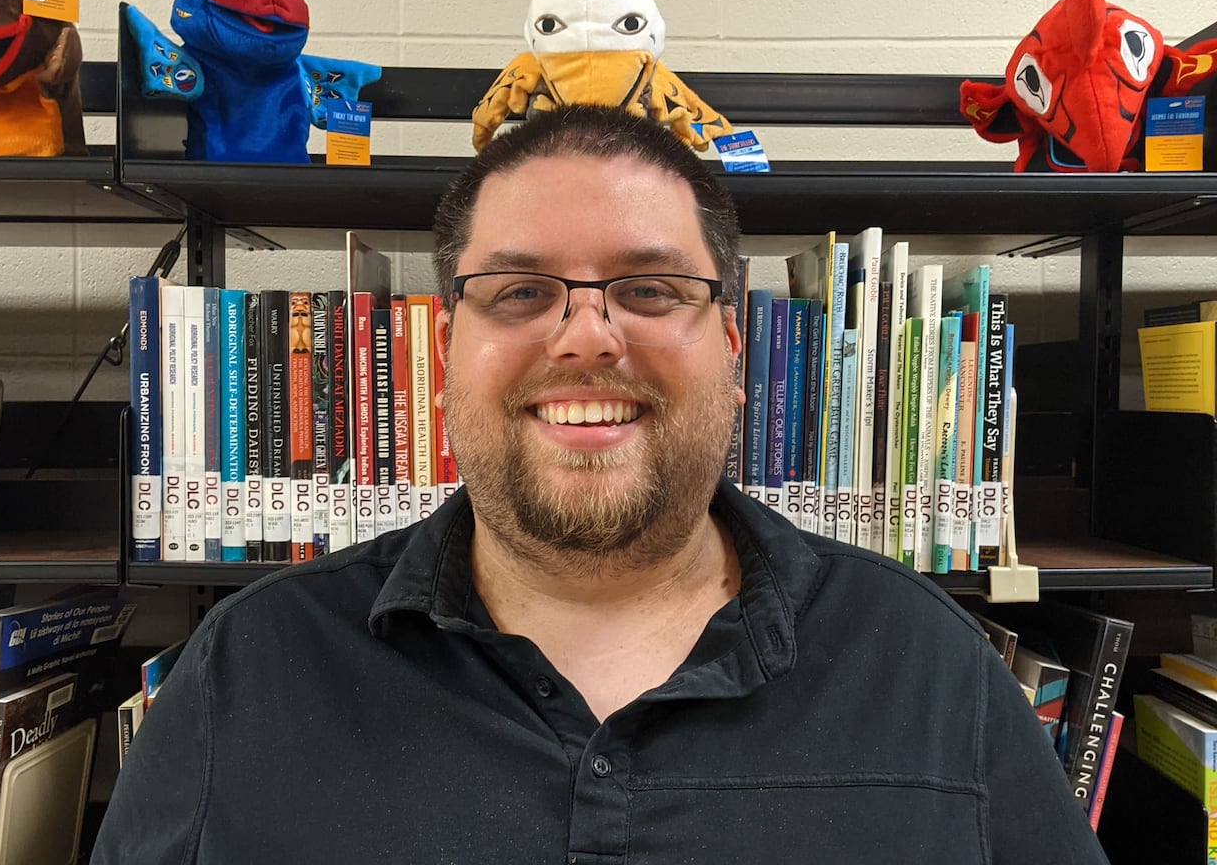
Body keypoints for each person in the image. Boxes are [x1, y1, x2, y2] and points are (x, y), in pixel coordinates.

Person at [93, 103, 1108, 864]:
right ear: (445, 353)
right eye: (521, 291)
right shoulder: (248, 674)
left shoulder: (931, 671)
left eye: (649, 289)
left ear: (730, 343)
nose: (585, 334)